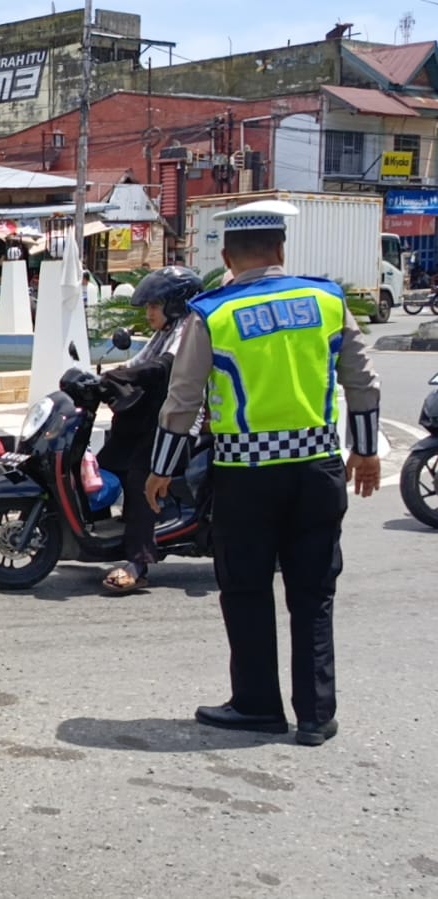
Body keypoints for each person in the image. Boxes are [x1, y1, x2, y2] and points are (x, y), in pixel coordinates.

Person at [147, 200, 381, 747]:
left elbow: (181, 401)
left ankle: (257, 707)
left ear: (228, 257)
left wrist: (161, 470)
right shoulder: (327, 300)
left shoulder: (213, 313)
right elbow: (362, 381)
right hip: (317, 468)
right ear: (281, 250)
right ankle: (317, 715)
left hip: (245, 473)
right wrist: (365, 452)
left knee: (247, 590)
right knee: (313, 592)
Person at [94, 266, 202, 595]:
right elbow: (136, 363)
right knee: (108, 457)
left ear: (175, 304)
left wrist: (124, 377)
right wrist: (99, 378)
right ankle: (101, 532)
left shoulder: (188, 330)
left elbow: (162, 367)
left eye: (155, 305)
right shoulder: (162, 333)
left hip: (182, 425)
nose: (150, 312)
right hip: (156, 418)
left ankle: (139, 562)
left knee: (143, 474)